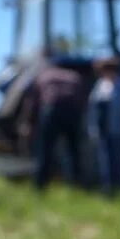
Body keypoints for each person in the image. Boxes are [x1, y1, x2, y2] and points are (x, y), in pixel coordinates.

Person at [32, 57, 87, 190]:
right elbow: (82, 98)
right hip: (72, 112)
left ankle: (41, 185)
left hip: (52, 111)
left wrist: (30, 121)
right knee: (73, 150)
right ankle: (76, 183)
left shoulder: (45, 75)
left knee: (45, 149)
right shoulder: (74, 76)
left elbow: (34, 100)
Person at [88, 57, 120, 194]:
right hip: (102, 128)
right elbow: (92, 107)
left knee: (118, 158)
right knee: (104, 159)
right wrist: (93, 127)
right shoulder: (100, 85)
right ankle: (107, 187)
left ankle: (119, 186)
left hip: (118, 127)